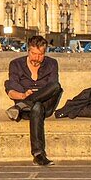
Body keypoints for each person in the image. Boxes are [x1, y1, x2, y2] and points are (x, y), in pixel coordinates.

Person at [4, 35, 62, 166]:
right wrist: (24, 96)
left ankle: (20, 106)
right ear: (28, 51)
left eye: (41, 54)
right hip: (27, 109)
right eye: (34, 54)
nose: (37, 58)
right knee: (36, 106)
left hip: (46, 104)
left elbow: (52, 87)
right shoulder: (16, 64)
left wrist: (26, 100)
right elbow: (11, 90)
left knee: (56, 86)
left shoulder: (52, 63)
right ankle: (38, 154)